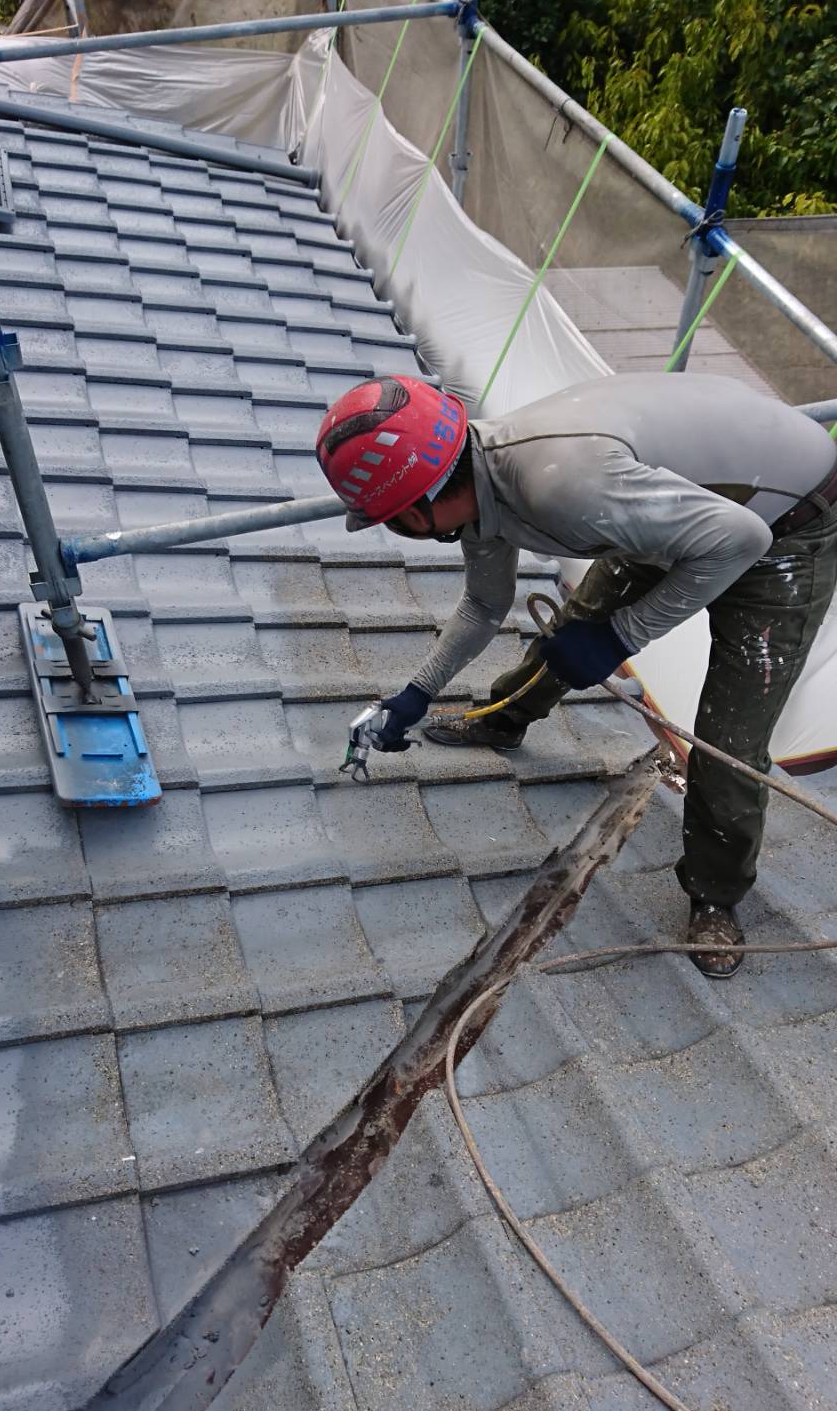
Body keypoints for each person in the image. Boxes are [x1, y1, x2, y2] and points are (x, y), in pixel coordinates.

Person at [315, 371, 837, 979]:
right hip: (683, 503)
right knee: (576, 627)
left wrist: (624, 636)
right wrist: (415, 692)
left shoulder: (564, 488)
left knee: (727, 738)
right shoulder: (471, 483)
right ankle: (504, 719)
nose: (392, 529)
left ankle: (715, 895)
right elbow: (484, 605)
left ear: (420, 502)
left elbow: (739, 540)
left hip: (785, 527)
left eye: (391, 519)